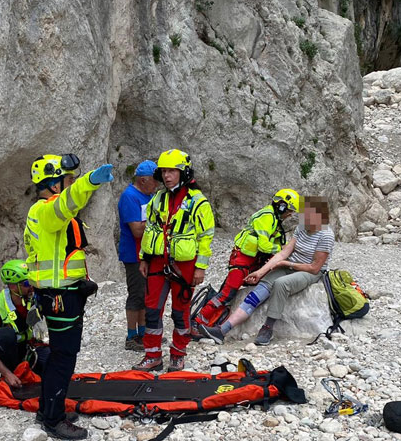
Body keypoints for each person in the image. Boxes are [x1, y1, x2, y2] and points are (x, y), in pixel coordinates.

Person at [24, 153, 114, 440]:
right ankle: (53, 418)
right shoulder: (48, 210)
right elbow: (67, 202)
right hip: (59, 298)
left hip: (61, 292)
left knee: (61, 356)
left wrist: (80, 283)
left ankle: (49, 407)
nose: (71, 184)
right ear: (54, 184)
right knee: (64, 358)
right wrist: (89, 182)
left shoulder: (41, 212)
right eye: (67, 180)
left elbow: (60, 256)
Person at [200, 196, 334, 346]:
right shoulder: (301, 227)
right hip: (290, 264)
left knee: (281, 284)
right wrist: (261, 272)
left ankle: (268, 328)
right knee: (261, 288)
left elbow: (315, 267)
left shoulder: (326, 235)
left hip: (309, 271)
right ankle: (222, 330)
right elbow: (283, 253)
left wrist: (287, 264)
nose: (304, 220)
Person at [133, 149, 215, 372]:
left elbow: (205, 237)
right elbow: (150, 229)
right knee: (152, 311)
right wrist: (144, 259)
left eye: (172, 171)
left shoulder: (199, 202)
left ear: (184, 172)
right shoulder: (158, 198)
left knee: (180, 313)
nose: (167, 175)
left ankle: (178, 355)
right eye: (164, 171)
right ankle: (152, 356)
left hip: (184, 266)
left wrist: (200, 268)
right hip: (158, 263)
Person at [192, 189, 301, 333]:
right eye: (290, 210)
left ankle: (207, 321)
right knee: (226, 294)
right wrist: (282, 248)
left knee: (229, 292)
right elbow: (264, 245)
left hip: (251, 260)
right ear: (281, 206)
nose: (290, 214)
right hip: (242, 259)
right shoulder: (267, 217)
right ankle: (196, 322)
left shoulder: (274, 219)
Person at [0, 259, 49, 389]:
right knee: (5, 335)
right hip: (10, 351)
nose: (32, 286)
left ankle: (30, 368)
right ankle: (13, 373)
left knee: (53, 368)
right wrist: (7, 374)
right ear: (13, 286)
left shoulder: (33, 298)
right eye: (27, 283)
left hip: (30, 347)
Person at [117, 160, 159, 351]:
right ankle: (131, 336)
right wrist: (159, 222)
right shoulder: (130, 197)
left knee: (145, 294)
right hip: (133, 255)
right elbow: (136, 230)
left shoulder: (148, 195)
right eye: (154, 180)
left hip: (146, 253)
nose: (157, 184)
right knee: (136, 295)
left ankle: (143, 333)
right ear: (143, 180)